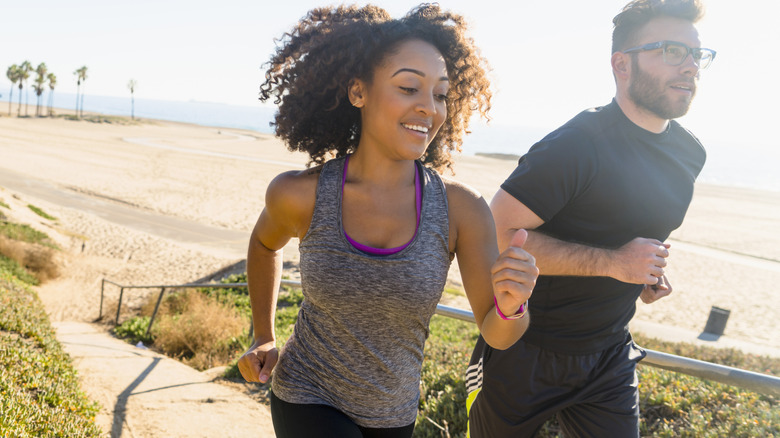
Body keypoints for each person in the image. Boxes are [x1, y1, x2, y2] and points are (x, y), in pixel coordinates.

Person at [236, 4, 538, 437]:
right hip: (306, 394)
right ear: (358, 92)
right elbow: (265, 244)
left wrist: (513, 305)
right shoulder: (300, 194)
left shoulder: (461, 210)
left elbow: (498, 334)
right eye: (409, 88)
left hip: (393, 415)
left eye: (439, 94)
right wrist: (263, 335)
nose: (429, 109)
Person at [465, 0, 715, 436]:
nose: (691, 66)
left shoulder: (690, 154)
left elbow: (631, 231)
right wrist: (614, 263)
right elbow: (498, 233)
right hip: (524, 348)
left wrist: (643, 274)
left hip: (609, 355)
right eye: (672, 51)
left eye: (696, 54)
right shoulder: (578, 144)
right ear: (622, 64)